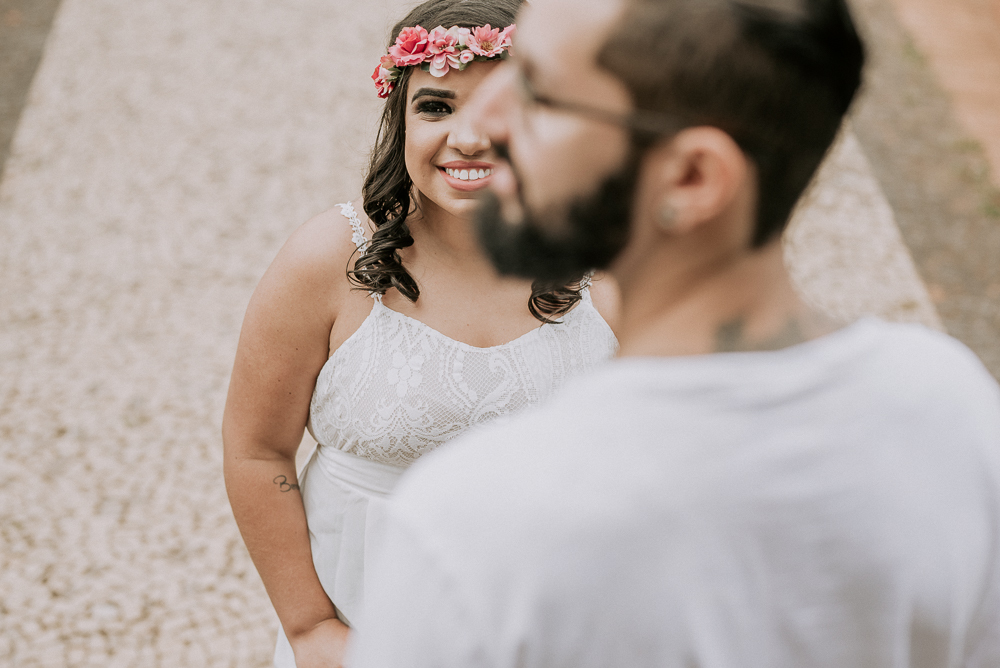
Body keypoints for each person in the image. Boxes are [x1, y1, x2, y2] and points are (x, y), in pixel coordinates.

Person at [348, 0, 1000, 666]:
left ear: (690, 177)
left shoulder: (473, 520)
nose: (484, 123)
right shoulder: (949, 405)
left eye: (537, 93)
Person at [221, 1, 619, 666]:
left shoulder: (607, 269)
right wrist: (311, 629)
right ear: (399, 119)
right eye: (436, 107)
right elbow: (258, 451)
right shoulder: (330, 260)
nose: (468, 138)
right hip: (365, 623)